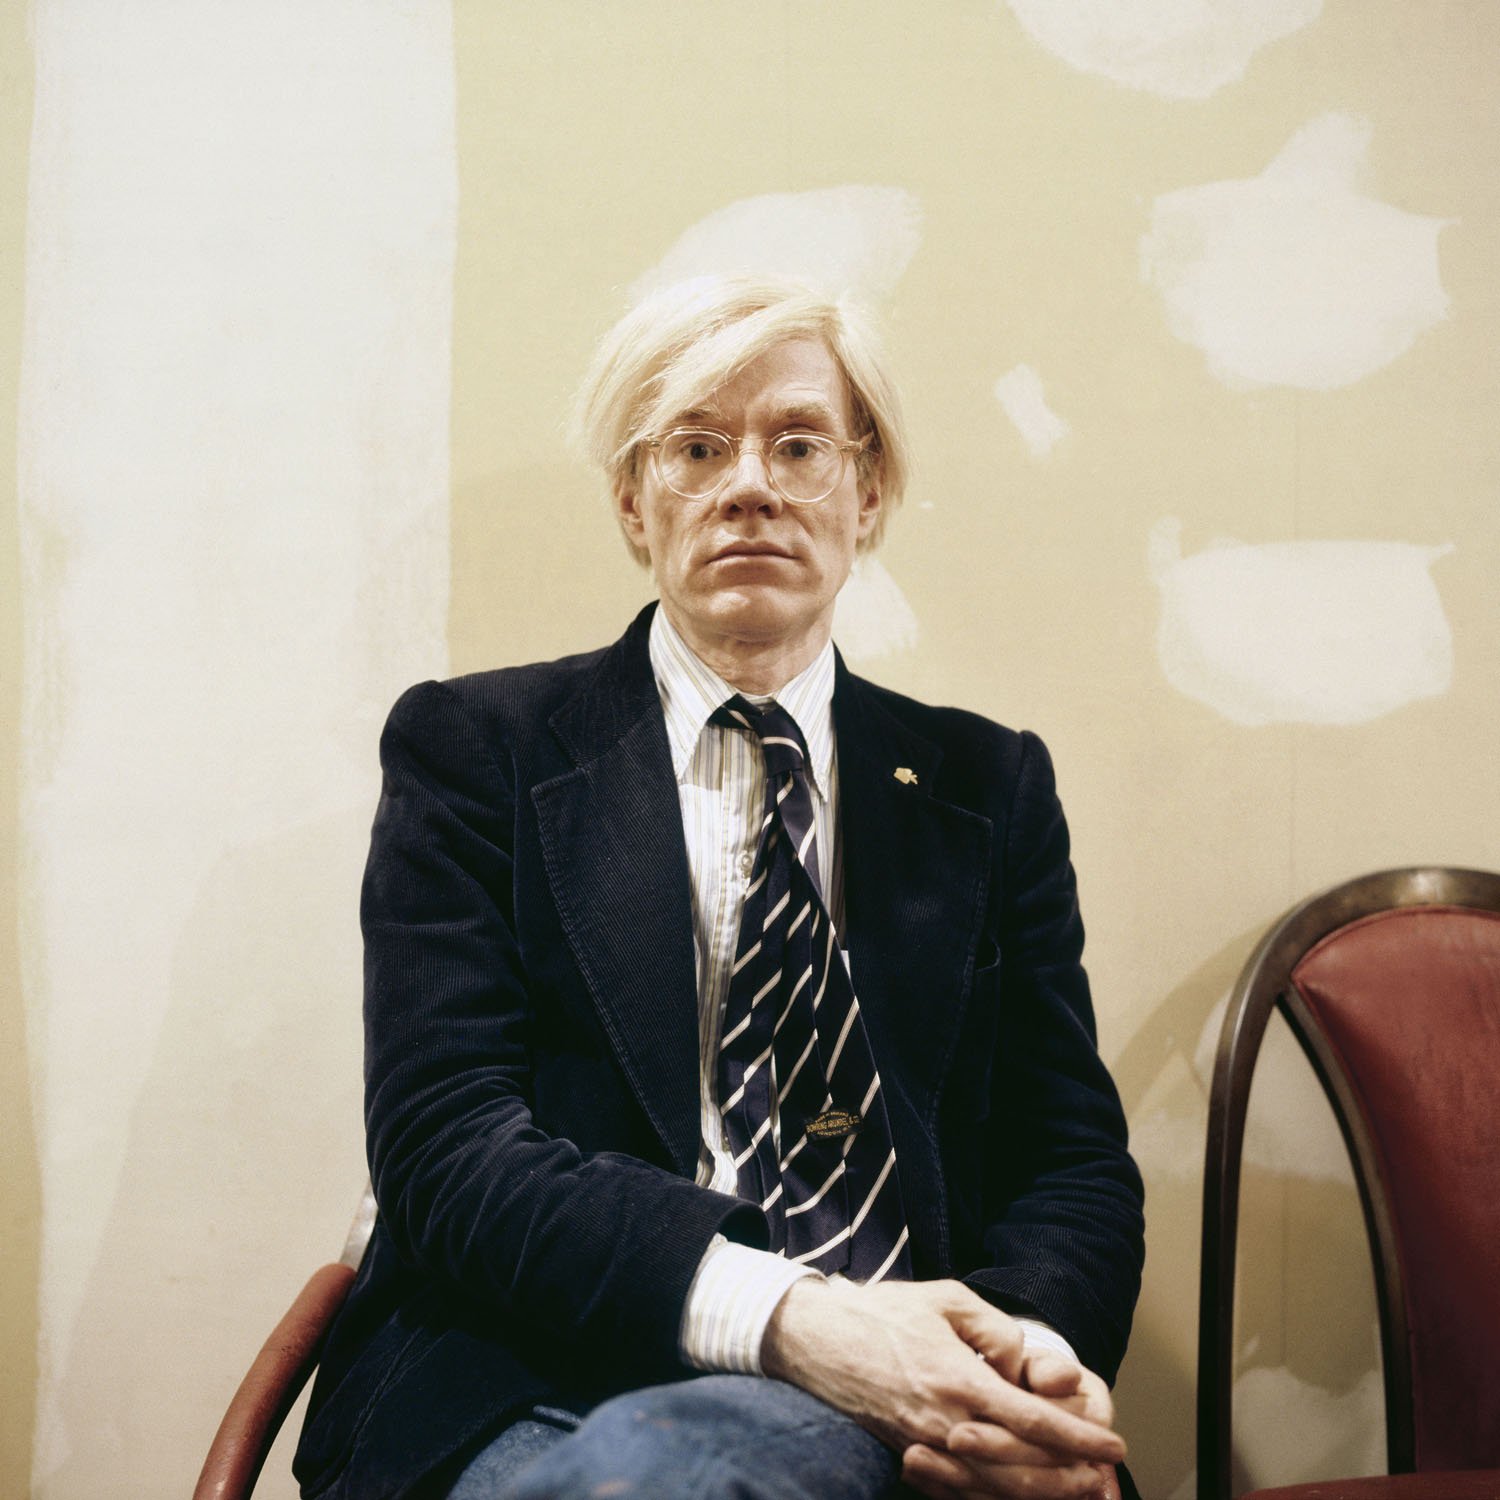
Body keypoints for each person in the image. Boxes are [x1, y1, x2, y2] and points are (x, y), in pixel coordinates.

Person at [292, 275, 1146, 1500]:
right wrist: (793, 1321)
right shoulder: (478, 751)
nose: (750, 484)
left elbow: (1068, 1160)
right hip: (540, 1372)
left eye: (798, 445)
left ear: (867, 492)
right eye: (697, 448)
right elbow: (446, 1147)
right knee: (657, 1475)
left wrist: (1014, 1370)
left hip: (911, 1391)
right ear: (634, 503)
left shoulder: (986, 784)